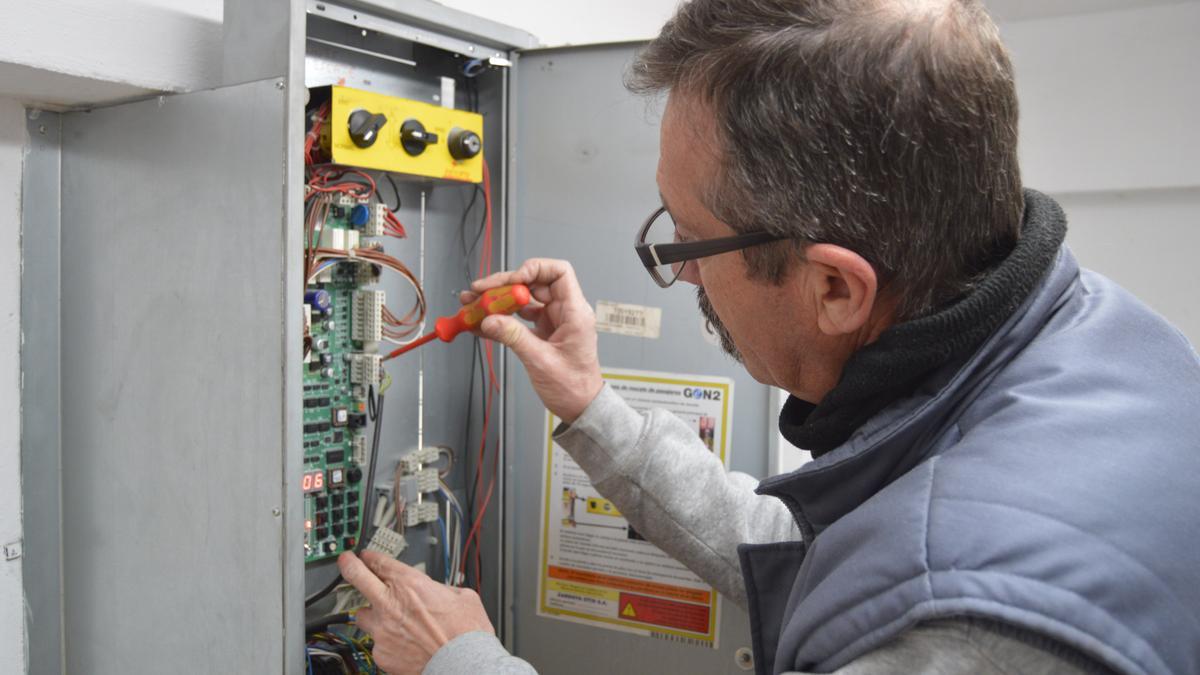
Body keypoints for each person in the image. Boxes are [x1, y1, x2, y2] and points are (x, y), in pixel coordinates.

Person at [337, 0, 1200, 673]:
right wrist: (594, 408)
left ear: (834, 286)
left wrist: (463, 661)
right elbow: (836, 559)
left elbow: (916, 580)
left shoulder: (977, 624)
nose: (680, 274)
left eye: (688, 240)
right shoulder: (1095, 343)